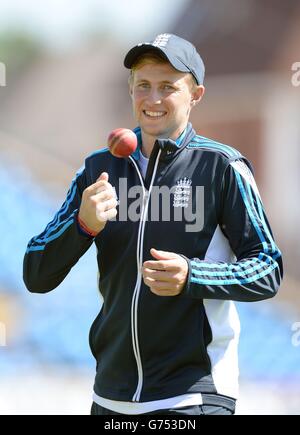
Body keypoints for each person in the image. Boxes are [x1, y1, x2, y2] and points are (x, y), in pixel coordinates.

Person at [23, 33, 283, 416]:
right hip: (110, 396)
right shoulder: (98, 169)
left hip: (194, 394)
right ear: (131, 90)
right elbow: (36, 273)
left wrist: (193, 275)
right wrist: (83, 225)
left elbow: (269, 268)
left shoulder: (223, 167)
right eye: (143, 85)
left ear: (195, 95)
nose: (153, 99)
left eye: (168, 86)